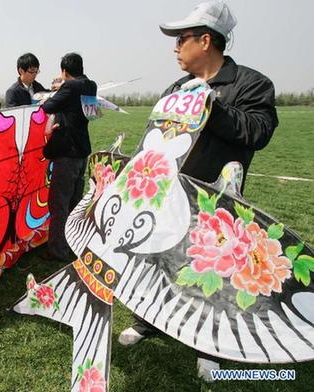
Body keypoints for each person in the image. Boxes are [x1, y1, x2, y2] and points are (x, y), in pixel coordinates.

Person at [117, 1, 279, 382]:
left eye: (181, 39)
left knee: (211, 278)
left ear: (206, 41)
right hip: (169, 197)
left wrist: (212, 105)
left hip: (216, 204)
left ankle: (209, 346)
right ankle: (147, 320)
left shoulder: (251, 84)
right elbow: (155, 137)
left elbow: (258, 131)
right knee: (158, 265)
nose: (175, 48)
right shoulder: (176, 87)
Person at [40, 53, 97, 262]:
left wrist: (56, 92)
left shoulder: (70, 87)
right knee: (73, 202)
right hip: (82, 152)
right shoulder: (91, 85)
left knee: (58, 204)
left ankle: (57, 251)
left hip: (67, 153)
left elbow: (47, 107)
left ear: (64, 71)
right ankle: (73, 242)